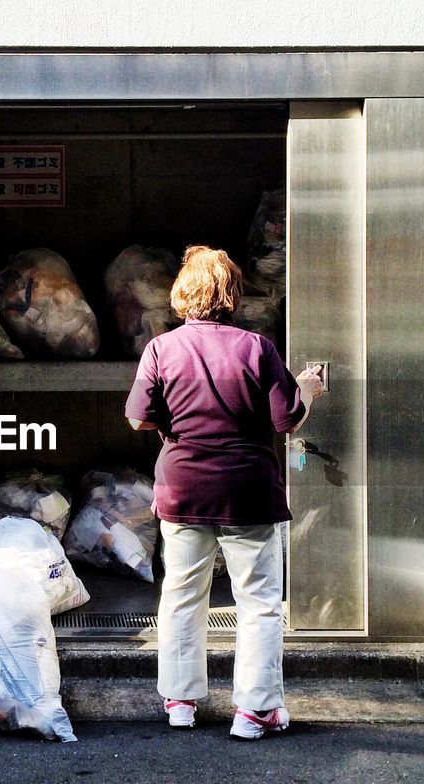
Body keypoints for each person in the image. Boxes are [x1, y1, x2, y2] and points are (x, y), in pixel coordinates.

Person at [124, 245, 325, 740]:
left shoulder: (161, 349)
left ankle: (180, 701)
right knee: (257, 600)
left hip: (183, 488)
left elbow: (136, 417)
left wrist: (178, 424)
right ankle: (255, 712)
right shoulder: (257, 348)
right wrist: (309, 391)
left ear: (182, 295)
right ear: (231, 295)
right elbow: (285, 420)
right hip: (247, 491)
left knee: (180, 594)